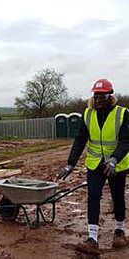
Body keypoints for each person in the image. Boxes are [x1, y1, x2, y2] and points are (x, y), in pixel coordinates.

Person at [59, 78, 129, 255]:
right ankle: (92, 238)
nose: (98, 101)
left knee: (117, 197)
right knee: (93, 196)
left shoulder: (122, 113)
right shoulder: (88, 113)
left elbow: (126, 141)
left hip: (116, 164)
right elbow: (80, 139)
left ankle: (119, 230)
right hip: (95, 163)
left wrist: (114, 159)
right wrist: (70, 164)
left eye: (102, 97)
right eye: (96, 97)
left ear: (110, 96)